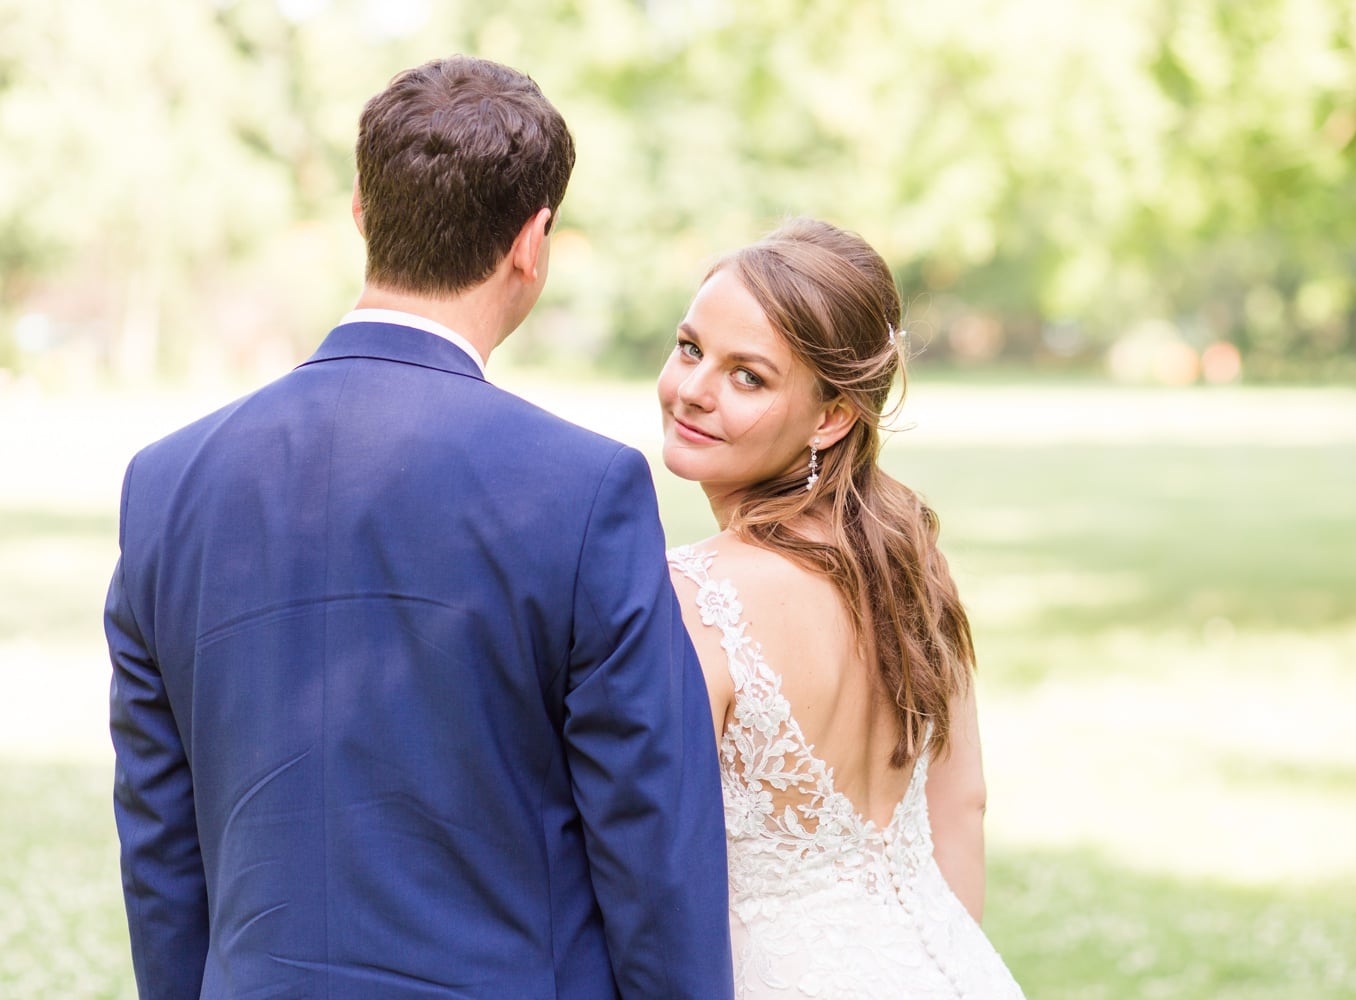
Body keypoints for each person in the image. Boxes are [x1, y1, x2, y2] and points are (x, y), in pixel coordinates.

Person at [105, 55, 732, 999]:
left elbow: (161, 848)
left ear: (361, 210)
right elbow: (652, 839)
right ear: (535, 240)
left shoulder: (167, 484)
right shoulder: (585, 489)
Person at [658, 216, 1027, 999]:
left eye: (747, 376)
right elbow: (963, 804)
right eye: (691, 348)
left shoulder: (693, 598)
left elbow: (650, 868)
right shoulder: (915, 562)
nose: (692, 389)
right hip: (950, 971)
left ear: (831, 416)